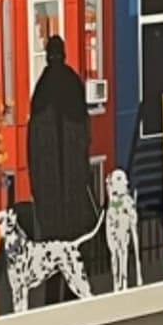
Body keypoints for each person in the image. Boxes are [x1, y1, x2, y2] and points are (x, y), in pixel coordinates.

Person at [25, 28, 98, 248]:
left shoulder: (42, 88)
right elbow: (85, 132)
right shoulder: (72, 83)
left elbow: (34, 141)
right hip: (70, 180)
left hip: (51, 186)